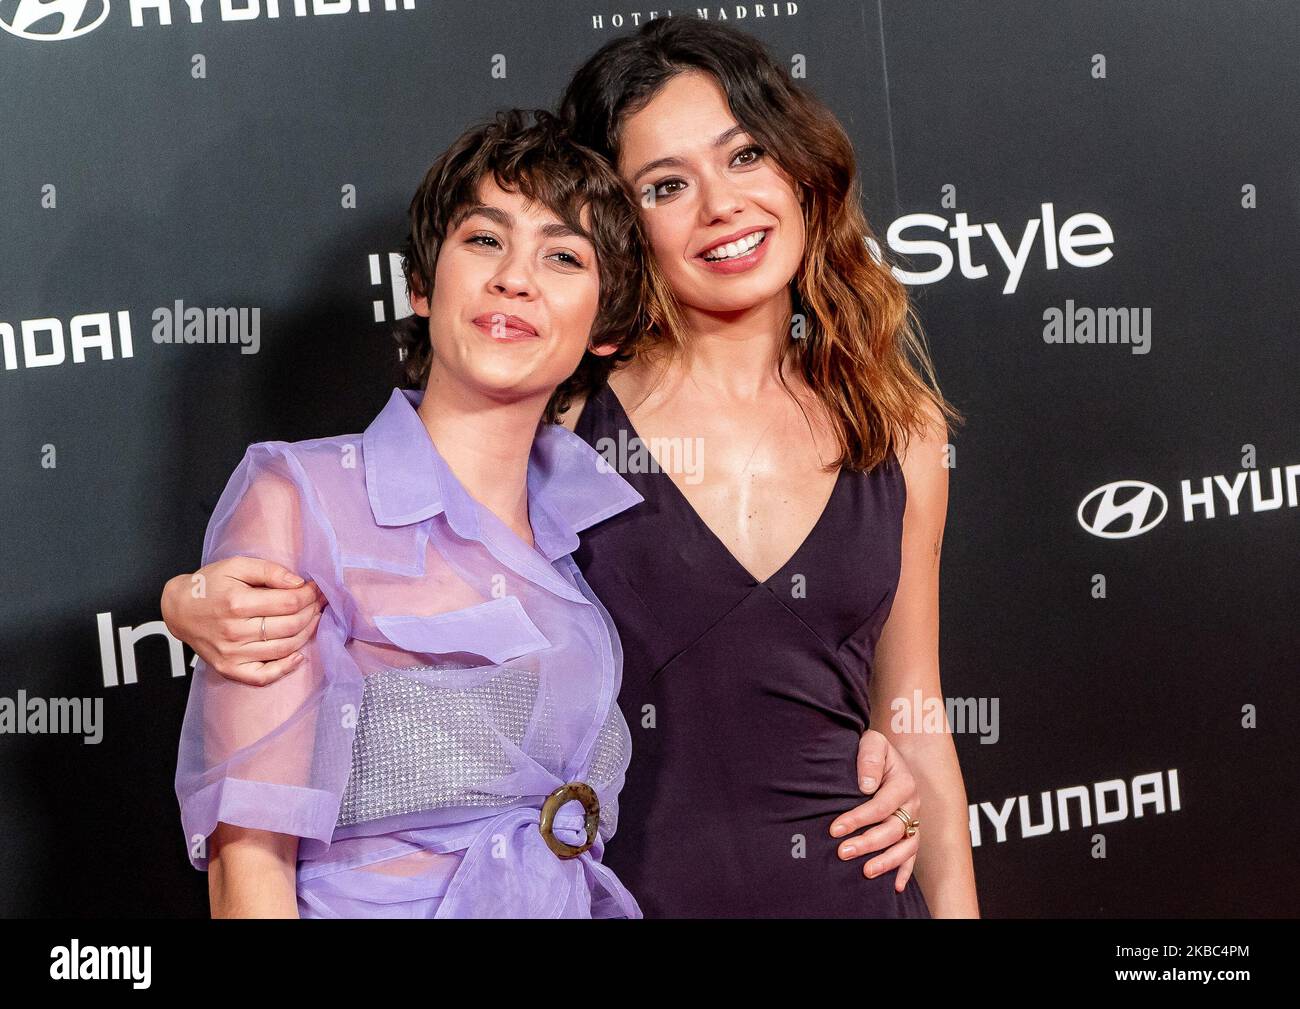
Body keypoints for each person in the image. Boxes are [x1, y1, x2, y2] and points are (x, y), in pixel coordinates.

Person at [164, 21, 960, 917]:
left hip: (853, 890)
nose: (721, 205)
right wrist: (191, 600)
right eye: (666, 185)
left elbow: (915, 716)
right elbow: (377, 534)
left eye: (745, 157)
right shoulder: (563, 419)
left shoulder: (899, 429)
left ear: (800, 168)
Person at [174, 108, 661, 918]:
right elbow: (248, 866)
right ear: (422, 284)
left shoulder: (591, 529)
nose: (515, 277)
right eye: (483, 239)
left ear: (604, 328)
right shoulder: (304, 500)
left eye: (564, 256)